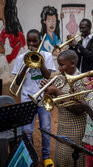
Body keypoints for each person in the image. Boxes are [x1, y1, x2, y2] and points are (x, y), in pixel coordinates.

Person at [12, 29, 56, 166]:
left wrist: (39, 60)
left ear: (39, 41)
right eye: (29, 41)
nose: (32, 44)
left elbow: (48, 76)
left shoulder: (47, 56)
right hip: (27, 99)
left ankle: (46, 156)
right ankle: (30, 158)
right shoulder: (21, 58)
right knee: (26, 131)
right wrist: (25, 65)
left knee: (46, 129)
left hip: (43, 98)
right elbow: (17, 82)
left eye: (34, 41)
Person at [41, 50, 87, 167]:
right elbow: (51, 105)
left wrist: (56, 92)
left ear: (73, 64)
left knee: (73, 161)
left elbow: (78, 109)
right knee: (61, 160)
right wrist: (48, 93)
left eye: (62, 65)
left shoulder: (83, 81)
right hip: (62, 129)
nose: (59, 68)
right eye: (59, 65)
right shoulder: (60, 79)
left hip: (77, 131)